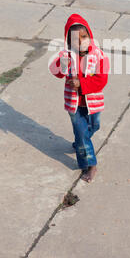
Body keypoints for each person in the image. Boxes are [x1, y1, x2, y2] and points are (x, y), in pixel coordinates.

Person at [49, 13, 109, 182]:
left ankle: (80, 141)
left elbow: (101, 80)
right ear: (69, 42)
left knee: (94, 126)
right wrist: (62, 65)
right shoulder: (66, 56)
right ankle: (90, 165)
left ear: (90, 36)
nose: (81, 41)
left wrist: (81, 83)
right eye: (76, 39)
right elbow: (56, 72)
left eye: (84, 37)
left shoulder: (99, 56)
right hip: (74, 102)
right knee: (82, 131)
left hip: (93, 102)